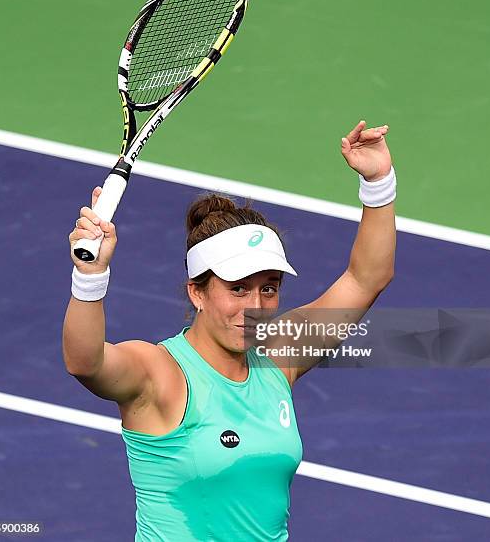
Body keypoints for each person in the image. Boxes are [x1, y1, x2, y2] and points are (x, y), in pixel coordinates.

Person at [63, 120, 396, 541]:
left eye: (268, 289)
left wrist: (379, 181)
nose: (254, 307)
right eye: (237, 289)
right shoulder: (159, 374)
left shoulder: (278, 357)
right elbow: (84, 361)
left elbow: (366, 279)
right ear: (197, 292)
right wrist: (91, 276)